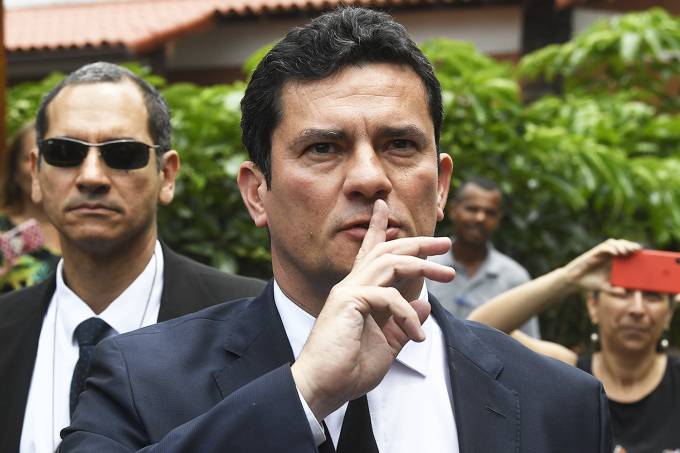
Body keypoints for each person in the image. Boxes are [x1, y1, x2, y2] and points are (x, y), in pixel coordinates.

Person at [61, 8, 611, 452]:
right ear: (257, 193)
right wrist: (301, 393)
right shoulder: (139, 378)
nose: (370, 178)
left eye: (400, 145)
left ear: (441, 185)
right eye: (323, 148)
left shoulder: (559, 402)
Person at [0, 62, 265, 453]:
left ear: (167, 175)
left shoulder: (253, 320)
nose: (91, 176)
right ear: (35, 175)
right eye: (65, 152)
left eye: (123, 153)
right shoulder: (6, 328)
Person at [468, 239, 680, 453]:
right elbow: (475, 332)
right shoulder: (566, 373)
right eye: (622, 293)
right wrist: (570, 276)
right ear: (593, 306)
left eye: (652, 296)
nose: (637, 309)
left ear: (669, 314)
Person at [426, 177, 540, 337]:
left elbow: (530, 345)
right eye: (472, 209)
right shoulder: (426, 264)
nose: (480, 218)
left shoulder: (515, 278)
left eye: (490, 213)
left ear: (498, 219)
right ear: (453, 210)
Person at [1, 122, 61, 292]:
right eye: (30, 158)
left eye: (50, 156)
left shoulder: (90, 224)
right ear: (14, 171)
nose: (41, 167)